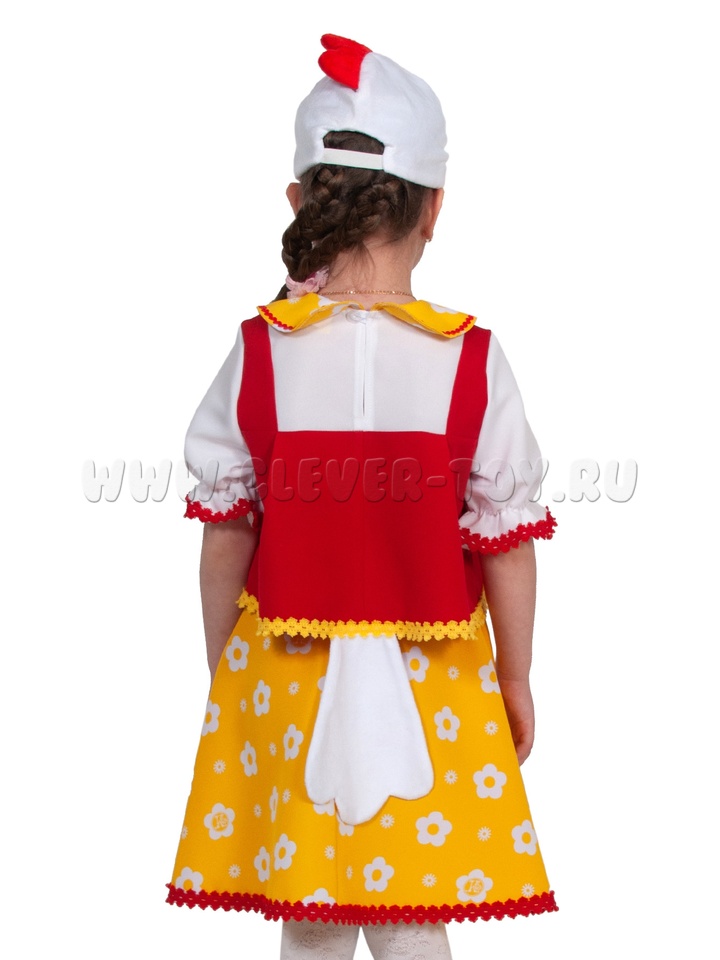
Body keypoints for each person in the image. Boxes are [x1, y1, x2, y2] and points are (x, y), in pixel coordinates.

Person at [167, 34, 558, 960]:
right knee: (413, 909)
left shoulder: (260, 352)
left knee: (311, 913)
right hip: (437, 683)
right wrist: (514, 675)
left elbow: (225, 536)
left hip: (286, 673)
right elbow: (506, 542)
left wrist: (228, 670)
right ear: (435, 209)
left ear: (300, 201)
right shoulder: (471, 359)